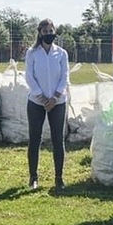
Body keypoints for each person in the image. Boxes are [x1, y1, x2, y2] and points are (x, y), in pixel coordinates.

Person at [24, 18, 70, 190]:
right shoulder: (32, 53)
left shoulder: (62, 53)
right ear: (40, 33)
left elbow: (65, 76)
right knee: (34, 139)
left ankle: (59, 178)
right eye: (45, 32)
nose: (49, 34)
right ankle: (33, 177)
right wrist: (42, 98)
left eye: (51, 31)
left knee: (58, 140)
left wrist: (55, 97)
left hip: (58, 102)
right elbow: (29, 76)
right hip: (37, 102)